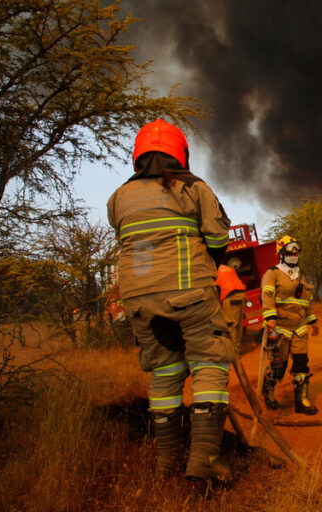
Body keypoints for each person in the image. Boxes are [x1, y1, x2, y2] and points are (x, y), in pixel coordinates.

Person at [107, 119, 234, 483]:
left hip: (137, 301)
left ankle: (167, 463)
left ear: (138, 156)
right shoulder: (192, 187)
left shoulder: (118, 196)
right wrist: (216, 267)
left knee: (165, 371)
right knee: (210, 362)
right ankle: (205, 460)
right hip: (189, 292)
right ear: (181, 153)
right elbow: (217, 238)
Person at [260, 236, 320, 415]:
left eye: (296, 253)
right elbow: (267, 296)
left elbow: (306, 301)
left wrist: (313, 320)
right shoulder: (273, 273)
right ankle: (268, 392)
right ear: (281, 254)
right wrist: (270, 317)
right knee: (279, 366)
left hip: (300, 328)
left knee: (301, 364)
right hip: (280, 328)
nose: (294, 256)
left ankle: (301, 402)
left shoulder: (301, 275)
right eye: (290, 253)